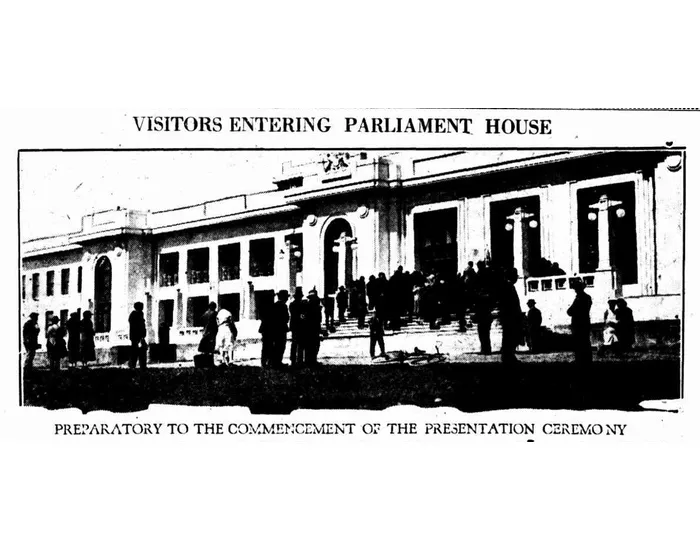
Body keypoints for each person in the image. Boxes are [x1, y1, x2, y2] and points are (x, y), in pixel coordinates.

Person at [499, 268, 523, 365]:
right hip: (510, 316)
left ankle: (508, 355)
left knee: (509, 336)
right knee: (510, 336)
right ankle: (508, 356)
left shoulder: (507, 286)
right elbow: (511, 304)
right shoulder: (508, 287)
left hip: (508, 316)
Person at [567, 279, 593, 365]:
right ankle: (583, 359)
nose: (575, 290)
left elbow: (572, 311)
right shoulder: (585, 297)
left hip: (580, 323)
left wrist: (574, 311)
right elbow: (570, 310)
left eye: (576, 288)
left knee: (581, 342)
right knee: (583, 342)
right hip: (582, 322)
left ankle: (582, 359)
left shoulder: (582, 298)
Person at [270, 290, 290, 368]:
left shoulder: (274, 305)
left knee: (275, 346)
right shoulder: (283, 306)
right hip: (281, 329)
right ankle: (278, 362)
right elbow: (286, 318)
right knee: (281, 346)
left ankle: (274, 362)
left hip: (274, 329)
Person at [128, 302, 148, 369]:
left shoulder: (140, 314)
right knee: (136, 352)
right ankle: (133, 365)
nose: (142, 308)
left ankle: (142, 366)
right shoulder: (135, 315)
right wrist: (140, 336)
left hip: (139, 337)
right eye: (141, 307)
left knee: (141, 351)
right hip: (136, 337)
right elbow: (137, 327)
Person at [289, 288, 304, 366]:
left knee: (294, 343)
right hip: (300, 325)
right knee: (300, 343)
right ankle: (300, 360)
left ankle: (293, 360)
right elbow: (302, 315)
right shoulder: (301, 305)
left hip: (294, 325)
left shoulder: (292, 304)